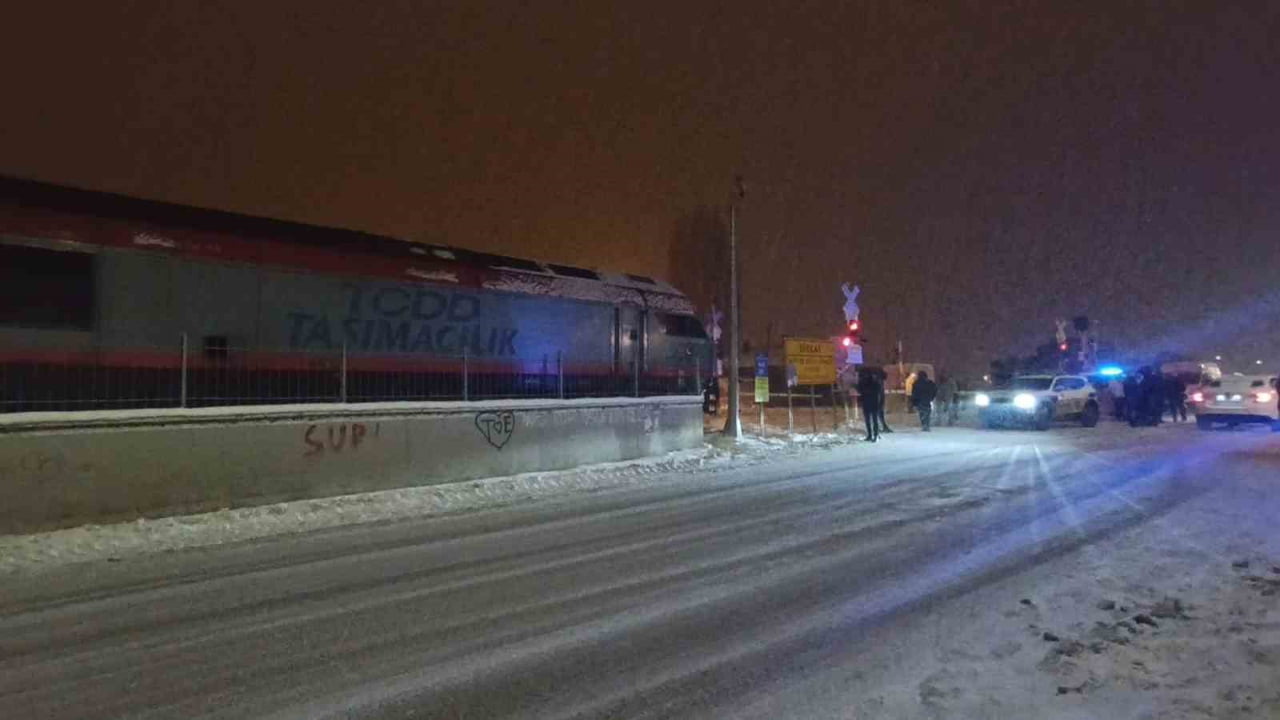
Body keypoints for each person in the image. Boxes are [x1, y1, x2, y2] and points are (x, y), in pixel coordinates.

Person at [856, 369, 883, 442]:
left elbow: (859, 390)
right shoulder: (876, 382)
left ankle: (871, 435)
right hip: (874, 403)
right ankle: (875, 435)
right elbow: (879, 392)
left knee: (869, 420)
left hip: (867, 403)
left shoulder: (863, 382)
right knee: (874, 420)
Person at [875, 368, 893, 434]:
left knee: (877, 412)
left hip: (878, 396)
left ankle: (880, 426)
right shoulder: (879, 380)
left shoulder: (876, 379)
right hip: (879, 396)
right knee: (879, 412)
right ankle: (881, 426)